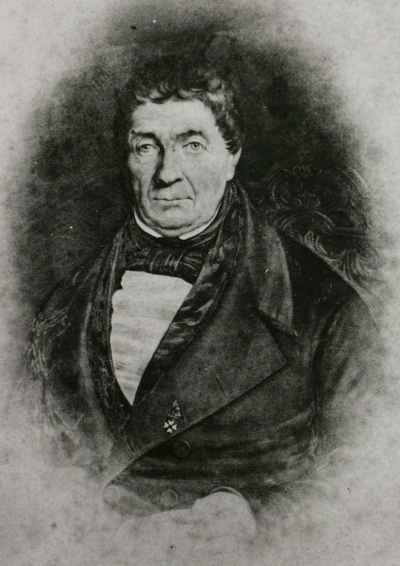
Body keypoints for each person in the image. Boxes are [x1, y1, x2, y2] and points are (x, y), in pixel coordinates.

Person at [28, 55, 381, 540]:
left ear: (232, 156)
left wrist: (259, 517)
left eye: (192, 145)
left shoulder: (327, 310)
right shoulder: (60, 312)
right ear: (126, 159)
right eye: (146, 147)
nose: (166, 173)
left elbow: (373, 474)